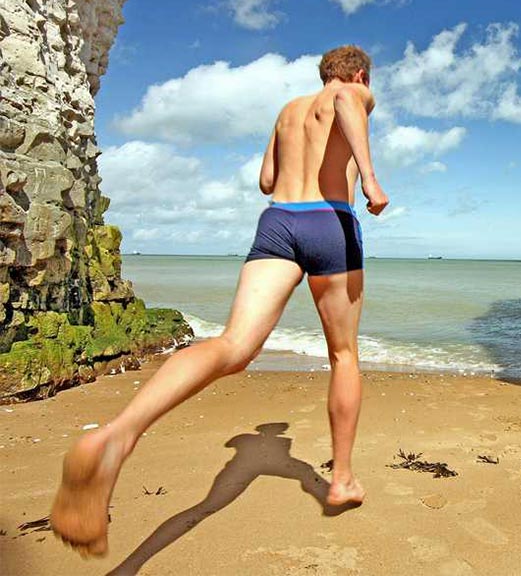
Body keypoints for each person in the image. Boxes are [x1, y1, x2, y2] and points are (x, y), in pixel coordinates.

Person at [50, 44, 389, 558]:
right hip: (328, 221)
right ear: (359, 73)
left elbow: (267, 181)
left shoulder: (287, 111)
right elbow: (346, 103)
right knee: (343, 355)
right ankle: (341, 480)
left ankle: (118, 435)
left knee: (233, 346)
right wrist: (369, 177)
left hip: (278, 222)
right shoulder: (352, 90)